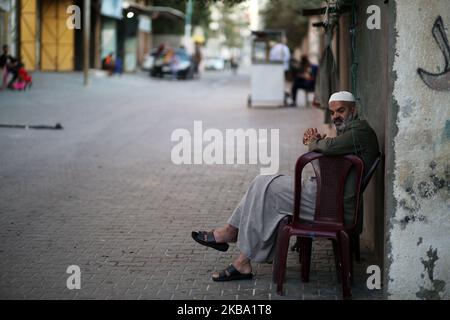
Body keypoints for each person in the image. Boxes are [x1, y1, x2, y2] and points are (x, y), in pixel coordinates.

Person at [191, 91, 379, 281]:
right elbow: (327, 152)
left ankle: (237, 248)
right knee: (262, 182)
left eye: (341, 111)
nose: (336, 116)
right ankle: (233, 238)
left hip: (332, 205)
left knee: (267, 190)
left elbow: (328, 148)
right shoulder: (351, 131)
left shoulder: (360, 131)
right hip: (326, 195)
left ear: (353, 110)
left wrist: (315, 142)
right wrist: (318, 143)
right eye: (332, 113)